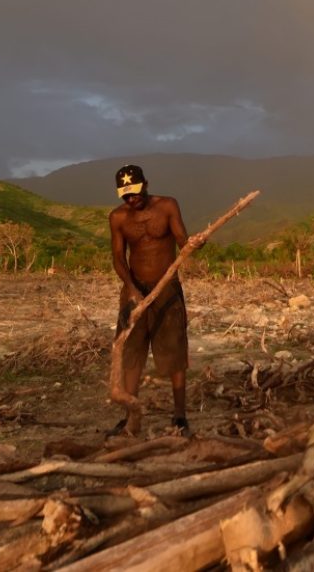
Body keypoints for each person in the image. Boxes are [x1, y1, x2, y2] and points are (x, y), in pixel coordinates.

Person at [107, 164, 201, 436]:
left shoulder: (168, 205)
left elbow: (182, 239)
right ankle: (130, 417)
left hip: (166, 286)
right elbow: (117, 256)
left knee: (174, 349)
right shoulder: (118, 218)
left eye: (135, 192)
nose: (131, 199)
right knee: (131, 350)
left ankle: (180, 416)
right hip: (133, 288)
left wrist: (192, 244)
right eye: (125, 195)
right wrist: (131, 289)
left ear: (146, 185)